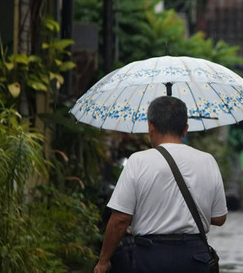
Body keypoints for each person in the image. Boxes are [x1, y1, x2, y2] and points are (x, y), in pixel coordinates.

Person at [94, 96, 228, 273]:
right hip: (194, 258)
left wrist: (103, 261)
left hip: (151, 257)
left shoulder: (138, 161)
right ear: (185, 129)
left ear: (150, 126)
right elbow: (219, 218)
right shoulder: (207, 161)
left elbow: (120, 219)